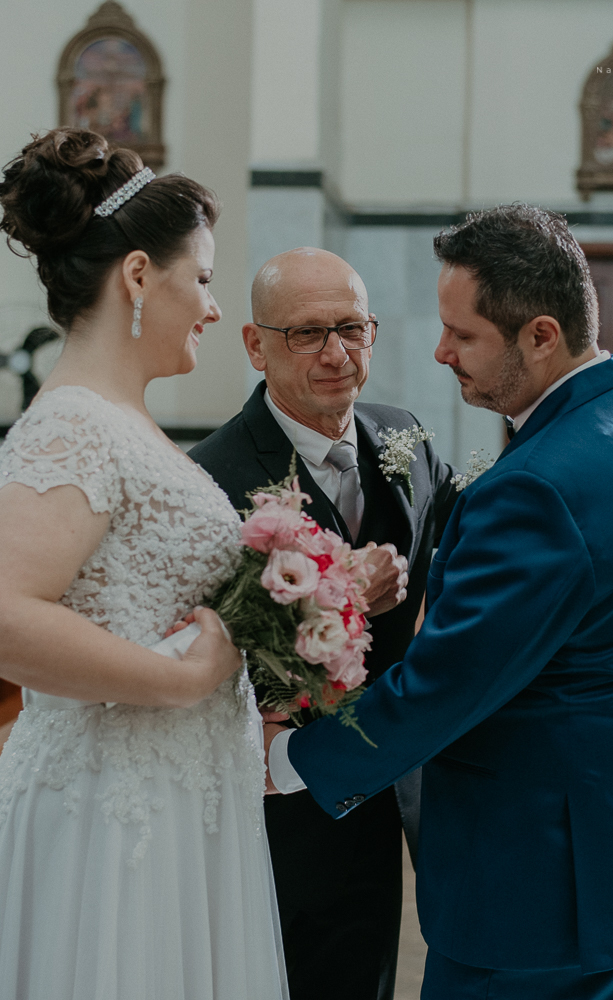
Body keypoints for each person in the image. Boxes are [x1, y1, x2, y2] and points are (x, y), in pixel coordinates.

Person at [266, 206, 613, 1000]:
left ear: (540, 335)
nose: (439, 352)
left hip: (550, 895)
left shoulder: (536, 485)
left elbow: (448, 683)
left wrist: (292, 760)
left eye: (462, 335)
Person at [0, 128, 289, 999]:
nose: (210, 305)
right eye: (199, 278)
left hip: (176, 801)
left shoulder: (126, 422)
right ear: (135, 276)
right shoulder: (74, 424)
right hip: (114, 816)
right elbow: (7, 613)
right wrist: (181, 678)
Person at [189, 247, 459, 1000]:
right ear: (255, 344)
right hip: (276, 804)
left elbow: (472, 539)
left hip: (386, 790)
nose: (336, 354)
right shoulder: (210, 477)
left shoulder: (403, 435)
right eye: (308, 333)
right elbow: (205, 658)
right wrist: (337, 597)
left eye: (352, 328)